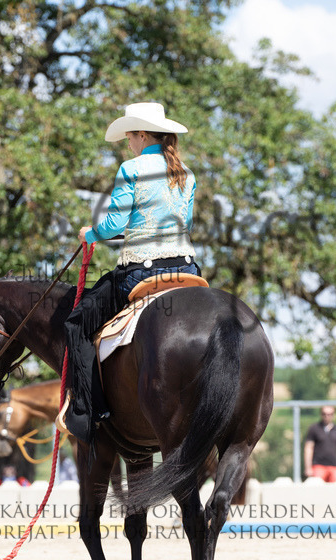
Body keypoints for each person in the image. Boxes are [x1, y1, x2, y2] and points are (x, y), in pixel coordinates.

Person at [62, 102, 201, 444]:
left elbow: (112, 225)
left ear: (141, 134)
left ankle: (90, 411)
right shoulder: (186, 173)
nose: (128, 143)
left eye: (129, 136)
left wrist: (89, 234)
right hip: (187, 269)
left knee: (76, 324)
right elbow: (184, 225)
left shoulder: (132, 168)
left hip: (140, 273)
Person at [303, 406, 336, 482]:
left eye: (330, 414)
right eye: (324, 414)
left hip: (334, 466)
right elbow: (308, 448)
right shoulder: (314, 429)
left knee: (335, 492)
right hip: (318, 466)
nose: (327, 416)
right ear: (321, 414)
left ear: (333, 415)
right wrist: (308, 467)